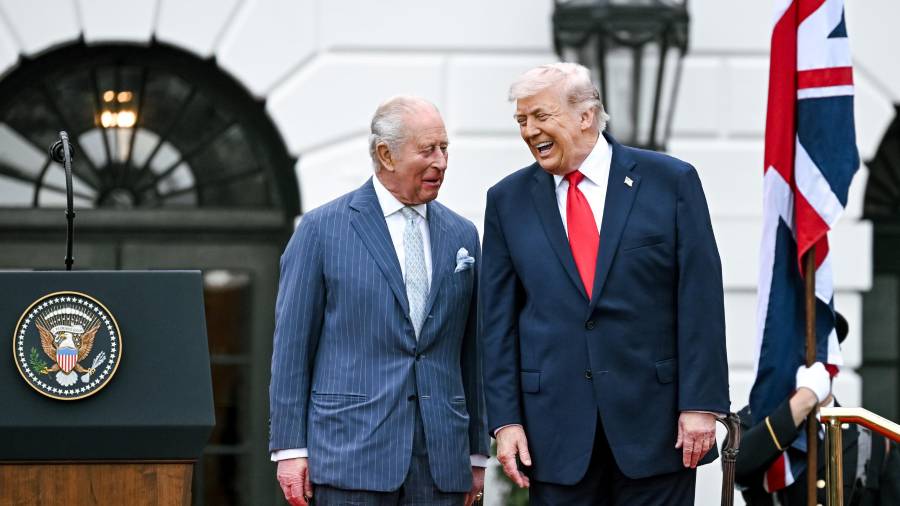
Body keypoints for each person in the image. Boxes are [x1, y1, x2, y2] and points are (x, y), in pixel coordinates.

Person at [480, 62, 730, 505]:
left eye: (540, 116)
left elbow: (700, 299)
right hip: (553, 434)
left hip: (657, 428)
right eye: (521, 120)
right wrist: (505, 421)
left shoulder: (671, 182)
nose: (529, 131)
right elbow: (497, 323)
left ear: (586, 115)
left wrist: (700, 404)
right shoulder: (506, 200)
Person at [268, 96, 489, 506]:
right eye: (428, 150)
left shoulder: (463, 234)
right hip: (350, 456)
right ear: (386, 155)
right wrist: (290, 449)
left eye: (444, 148)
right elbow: (292, 349)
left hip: (442, 462)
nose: (441, 162)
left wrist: (476, 452)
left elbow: (471, 352)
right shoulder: (321, 230)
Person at [736, 314, 900, 505]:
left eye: (821, 349)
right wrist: (804, 400)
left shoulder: (874, 439)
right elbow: (738, 468)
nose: (809, 359)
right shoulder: (753, 420)